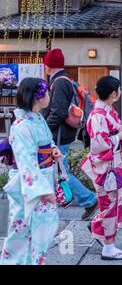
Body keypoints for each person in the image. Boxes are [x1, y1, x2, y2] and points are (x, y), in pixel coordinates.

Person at [0, 78, 61, 265]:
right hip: (28, 183)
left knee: (43, 227)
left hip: (40, 178)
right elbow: (27, 161)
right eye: (47, 93)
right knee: (21, 227)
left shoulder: (37, 119)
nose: (49, 96)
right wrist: (42, 190)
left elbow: (45, 142)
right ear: (38, 97)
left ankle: (34, 260)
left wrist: (52, 149)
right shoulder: (22, 125)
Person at [80, 76, 122, 260]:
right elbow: (98, 144)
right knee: (111, 204)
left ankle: (98, 227)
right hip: (106, 166)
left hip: (113, 164)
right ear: (114, 93)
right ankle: (108, 247)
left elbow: (114, 131)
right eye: (118, 89)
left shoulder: (107, 111)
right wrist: (118, 135)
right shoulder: (98, 115)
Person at [41, 48, 98, 220]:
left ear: (48, 65)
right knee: (59, 171)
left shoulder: (59, 83)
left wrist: (43, 128)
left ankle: (90, 200)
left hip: (58, 134)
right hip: (64, 133)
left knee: (61, 171)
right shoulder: (65, 79)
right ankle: (87, 200)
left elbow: (57, 112)